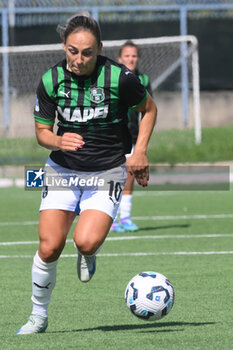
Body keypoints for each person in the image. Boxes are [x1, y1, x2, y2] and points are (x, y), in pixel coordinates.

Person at [16, 12, 157, 335]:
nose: (79, 59)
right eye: (73, 51)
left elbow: (149, 110)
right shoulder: (50, 80)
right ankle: (38, 316)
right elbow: (42, 133)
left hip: (107, 171)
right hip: (62, 171)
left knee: (86, 241)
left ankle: (88, 254)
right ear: (64, 46)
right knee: (50, 246)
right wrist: (58, 139)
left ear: (100, 49)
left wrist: (140, 151)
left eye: (88, 52)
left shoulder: (119, 77)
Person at [111, 40, 153, 232]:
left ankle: (125, 217)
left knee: (129, 174)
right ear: (120, 58)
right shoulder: (112, 78)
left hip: (133, 136)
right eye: (127, 55)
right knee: (114, 176)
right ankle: (110, 218)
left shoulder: (143, 80)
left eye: (134, 55)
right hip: (113, 136)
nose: (131, 59)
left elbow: (148, 109)